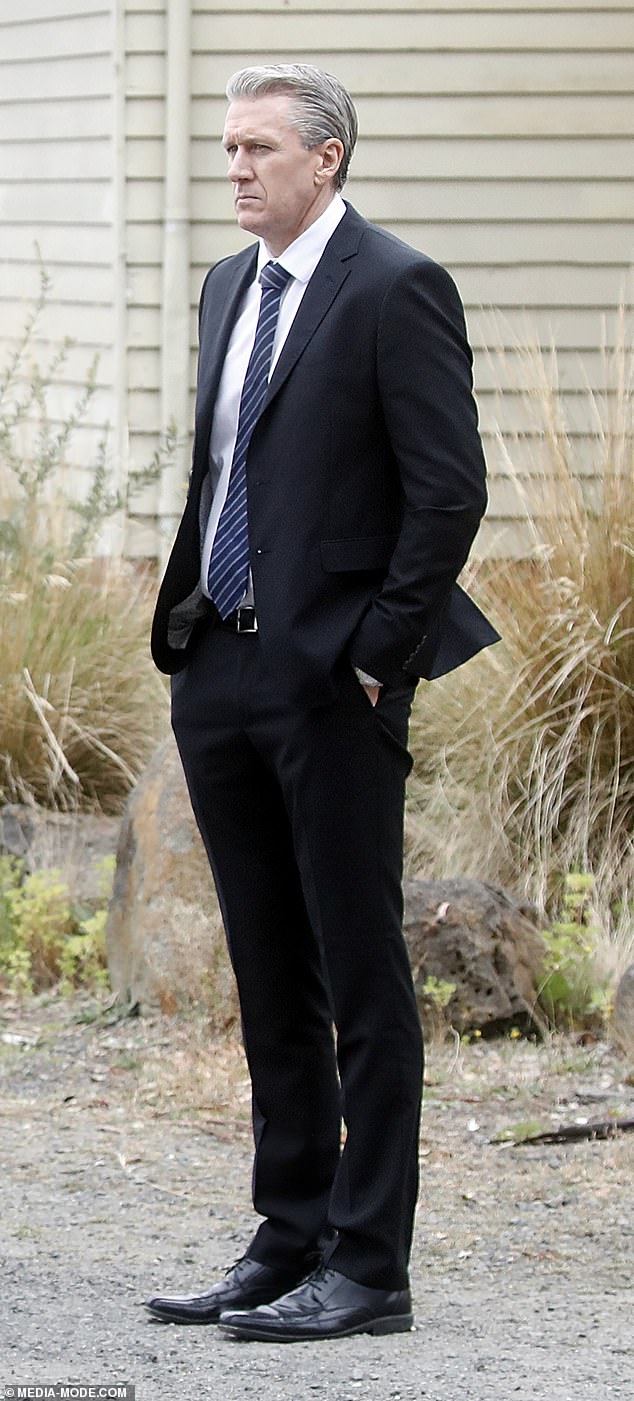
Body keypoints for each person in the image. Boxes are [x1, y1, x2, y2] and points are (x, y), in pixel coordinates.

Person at [146, 63, 498, 1343]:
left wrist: (374, 655)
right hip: (223, 669)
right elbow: (225, 469)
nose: (233, 169)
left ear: (327, 158)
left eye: (255, 149)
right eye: (226, 149)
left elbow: (446, 491)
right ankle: (285, 1235)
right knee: (268, 968)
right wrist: (191, 627)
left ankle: (368, 1268)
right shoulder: (228, 287)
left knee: (360, 975)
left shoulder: (397, 288)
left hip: (334, 684)